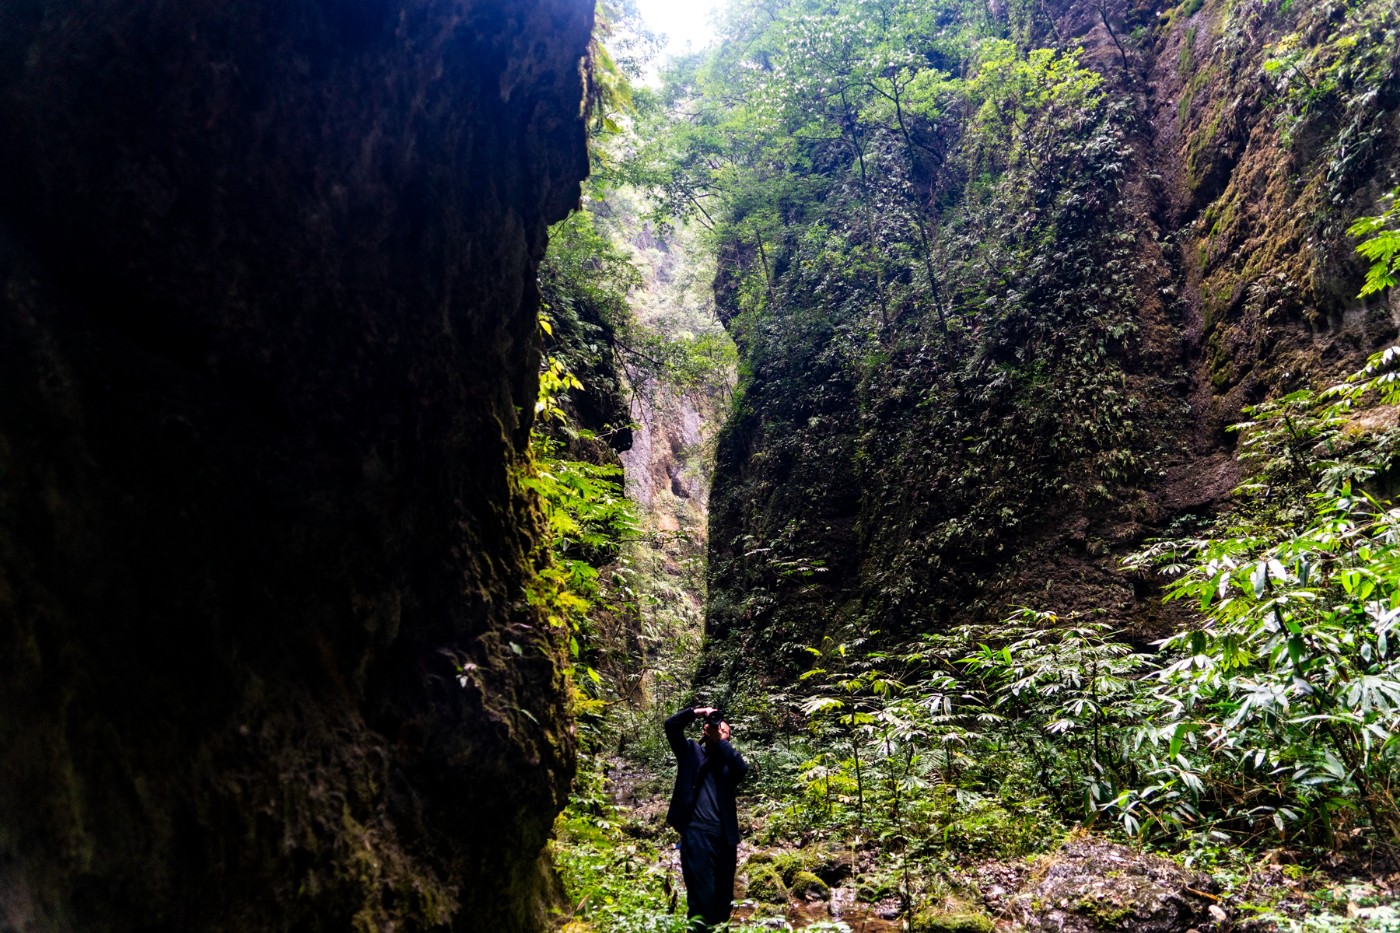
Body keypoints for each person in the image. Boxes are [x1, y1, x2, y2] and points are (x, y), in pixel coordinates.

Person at [665, 705, 750, 930]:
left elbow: (742, 768)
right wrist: (697, 712)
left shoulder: (729, 763)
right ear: (705, 730)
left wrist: (721, 742)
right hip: (696, 835)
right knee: (701, 900)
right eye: (717, 728)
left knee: (723, 902)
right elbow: (671, 726)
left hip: (725, 839)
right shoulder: (691, 752)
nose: (720, 733)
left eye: (726, 733)